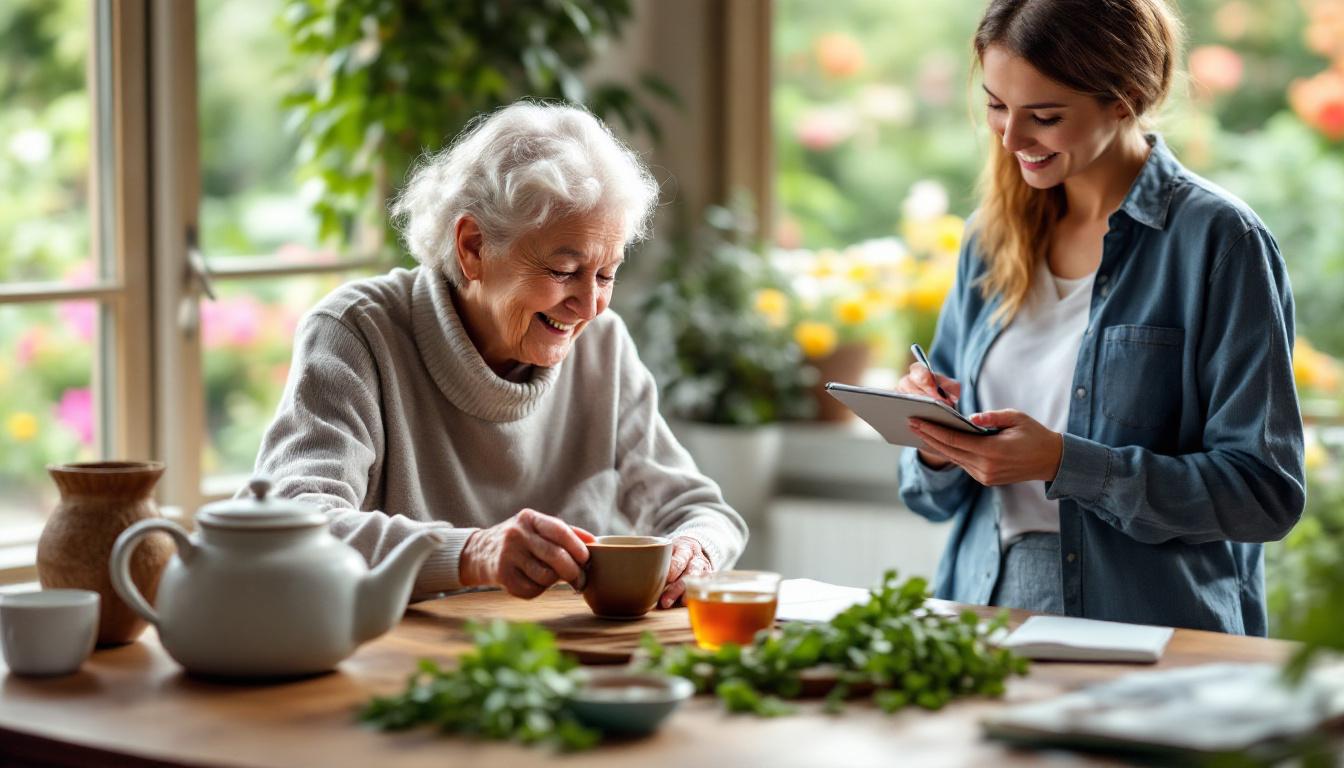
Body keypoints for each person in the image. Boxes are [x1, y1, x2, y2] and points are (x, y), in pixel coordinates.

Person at [896, 0, 1304, 635]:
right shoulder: (990, 239)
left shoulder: (1220, 241)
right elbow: (928, 498)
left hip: (1151, 629)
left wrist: (1063, 462)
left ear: (1126, 98)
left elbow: (1264, 495)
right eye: (997, 106)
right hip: (977, 611)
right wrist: (938, 444)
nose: (1010, 139)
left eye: (1046, 116)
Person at [250, 101, 746, 608]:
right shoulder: (357, 333)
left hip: (558, 659)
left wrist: (695, 550)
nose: (589, 305)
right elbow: (288, 521)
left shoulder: (603, 346)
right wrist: (472, 553)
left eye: (605, 274)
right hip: (397, 658)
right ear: (472, 247)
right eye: (562, 271)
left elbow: (701, 510)